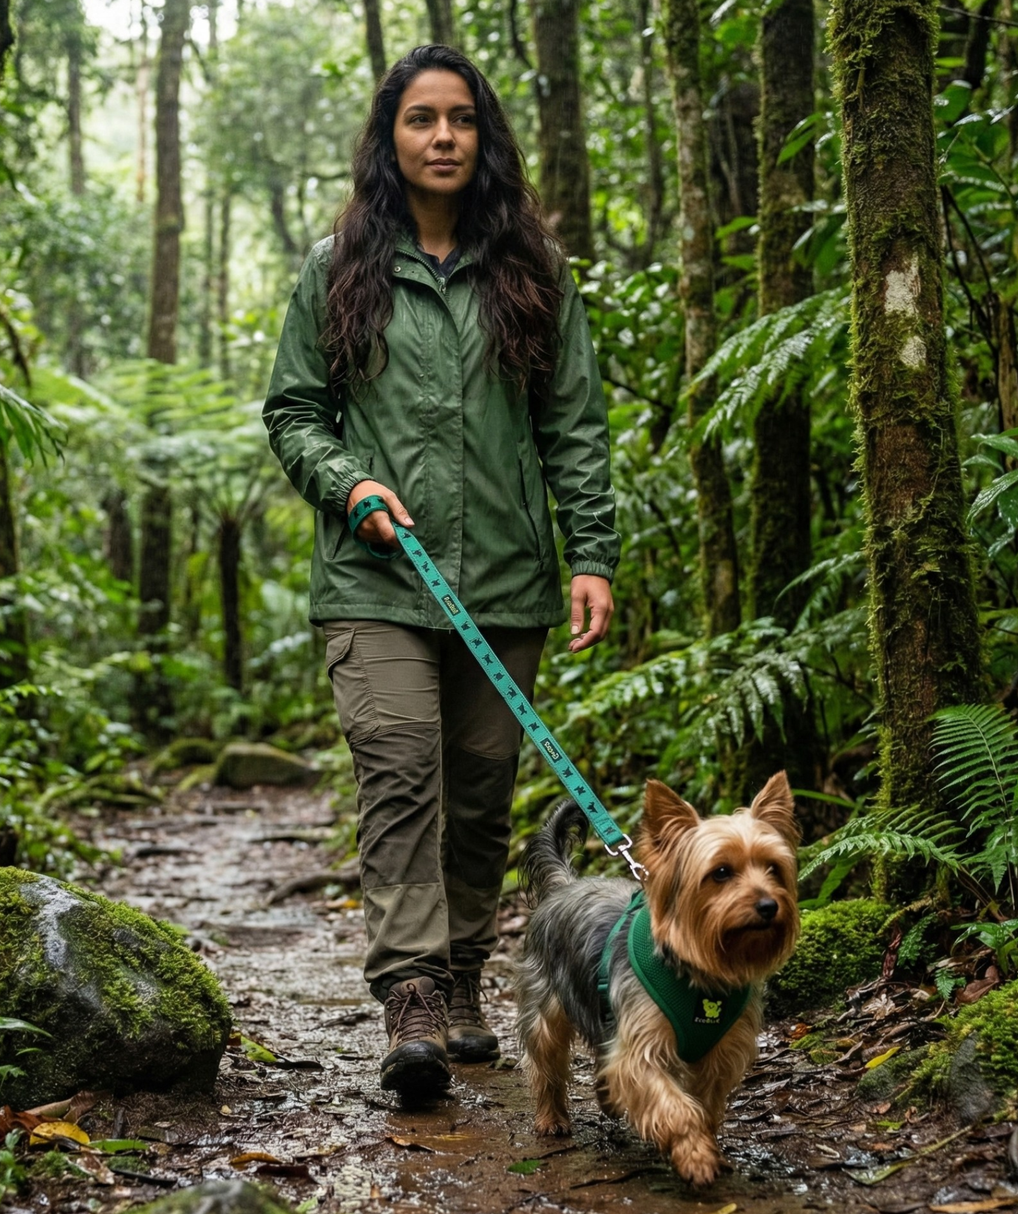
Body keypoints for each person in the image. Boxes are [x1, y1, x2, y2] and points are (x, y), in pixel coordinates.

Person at [263, 43, 618, 1099]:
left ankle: (463, 975)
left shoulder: (532, 271)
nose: (442, 137)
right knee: (399, 764)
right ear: (390, 138)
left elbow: (573, 424)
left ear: (483, 135)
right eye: (421, 120)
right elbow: (292, 412)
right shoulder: (336, 268)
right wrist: (348, 482)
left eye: (459, 119)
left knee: (477, 789)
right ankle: (411, 991)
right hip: (376, 578)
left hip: (502, 578)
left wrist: (590, 552)